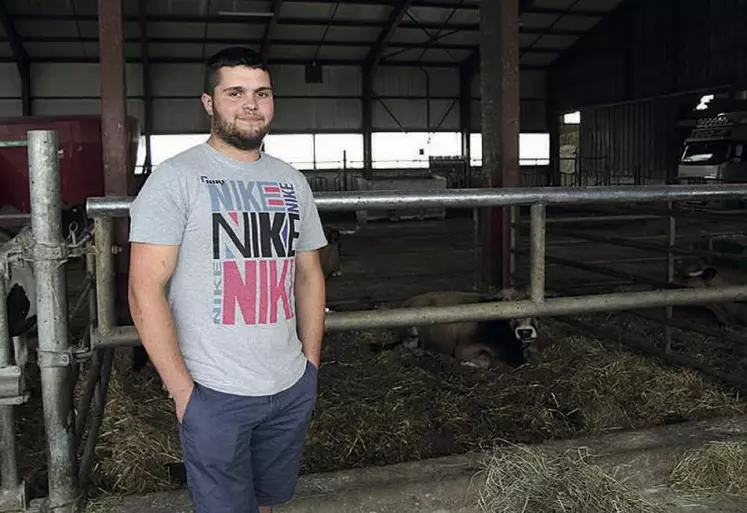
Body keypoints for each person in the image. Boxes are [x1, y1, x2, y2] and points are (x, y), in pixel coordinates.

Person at [127, 46, 328, 513]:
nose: (251, 104)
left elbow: (309, 276)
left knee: (268, 502)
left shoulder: (291, 181)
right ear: (209, 102)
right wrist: (183, 392)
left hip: (289, 386)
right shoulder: (176, 179)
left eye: (261, 93)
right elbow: (143, 291)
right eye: (234, 92)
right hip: (215, 394)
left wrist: (310, 367)